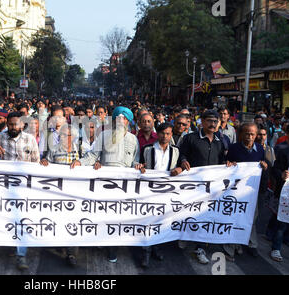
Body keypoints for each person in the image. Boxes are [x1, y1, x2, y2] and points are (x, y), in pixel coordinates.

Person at [71, 106, 143, 263]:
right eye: (118, 118)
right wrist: (80, 162)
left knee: (118, 218)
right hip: (104, 185)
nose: (121, 121)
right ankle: (99, 242)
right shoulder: (104, 135)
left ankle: (113, 249)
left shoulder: (133, 139)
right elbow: (93, 156)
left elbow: (135, 160)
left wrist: (137, 165)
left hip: (124, 187)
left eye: (124, 118)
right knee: (103, 215)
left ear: (128, 121)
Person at [0, 111, 40, 270]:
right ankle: (10, 244)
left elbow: (35, 162)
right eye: (10, 124)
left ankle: (21, 255)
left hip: (23, 187)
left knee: (22, 219)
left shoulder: (30, 140)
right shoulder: (0, 138)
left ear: (22, 125)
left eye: (16, 124)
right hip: (5, 186)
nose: (13, 127)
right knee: (7, 218)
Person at [179, 110, 233, 264]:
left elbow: (223, 159)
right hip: (192, 186)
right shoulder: (190, 138)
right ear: (201, 121)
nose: (213, 124)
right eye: (209, 121)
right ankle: (183, 237)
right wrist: (183, 161)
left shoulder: (220, 141)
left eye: (215, 122)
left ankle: (200, 247)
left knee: (205, 216)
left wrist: (227, 164)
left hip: (212, 188)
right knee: (188, 212)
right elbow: (182, 154)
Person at [222, 123, 268, 261]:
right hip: (236, 192)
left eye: (252, 134)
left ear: (256, 135)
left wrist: (264, 166)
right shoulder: (234, 148)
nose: (249, 137)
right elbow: (226, 165)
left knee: (251, 219)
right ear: (241, 134)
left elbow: (262, 167)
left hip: (252, 192)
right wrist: (228, 164)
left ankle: (249, 244)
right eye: (247, 133)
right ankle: (230, 247)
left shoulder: (260, 149)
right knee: (234, 218)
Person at [140, 122, 183, 268]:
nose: (165, 136)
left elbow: (182, 164)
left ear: (171, 135)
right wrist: (140, 167)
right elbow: (139, 164)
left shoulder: (176, 151)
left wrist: (180, 168)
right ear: (157, 134)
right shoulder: (147, 149)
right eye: (162, 133)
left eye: (168, 134)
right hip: (149, 191)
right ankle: (146, 251)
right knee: (148, 221)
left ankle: (157, 248)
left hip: (167, 192)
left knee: (161, 221)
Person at [39, 124, 81, 266]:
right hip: (57, 193)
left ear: (73, 137)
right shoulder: (54, 149)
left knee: (72, 222)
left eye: (65, 135)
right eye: (61, 135)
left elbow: (88, 164)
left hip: (75, 193)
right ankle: (58, 243)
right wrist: (44, 162)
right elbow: (47, 163)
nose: (62, 137)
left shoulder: (80, 150)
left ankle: (71, 253)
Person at [269, 124, 289, 262]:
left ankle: (280, 236)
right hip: (285, 190)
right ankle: (276, 248)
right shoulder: (281, 149)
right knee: (282, 220)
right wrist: (281, 175)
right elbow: (274, 168)